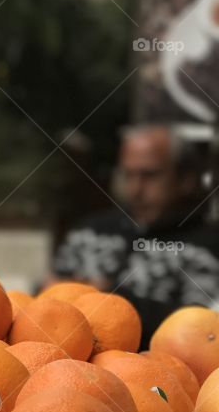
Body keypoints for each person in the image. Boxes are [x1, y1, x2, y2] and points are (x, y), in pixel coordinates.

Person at [51, 125, 219, 345]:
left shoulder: (207, 243)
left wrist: (112, 298)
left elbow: (203, 327)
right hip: (69, 360)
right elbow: (48, 296)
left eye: (149, 175)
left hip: (158, 369)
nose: (136, 188)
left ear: (184, 179)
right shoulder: (90, 230)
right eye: (128, 174)